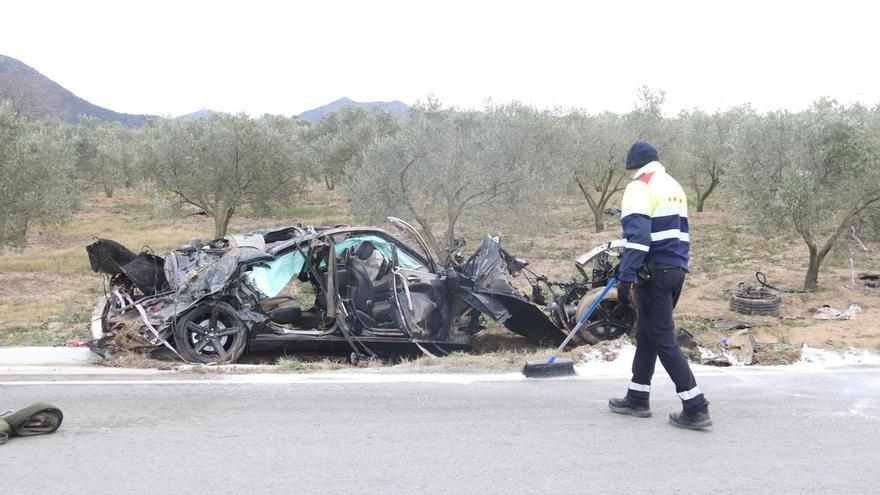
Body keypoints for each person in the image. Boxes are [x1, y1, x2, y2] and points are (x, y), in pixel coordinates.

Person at [607, 141, 712, 430]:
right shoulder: (673, 185)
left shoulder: (640, 186)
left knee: (663, 338)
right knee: (647, 334)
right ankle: (637, 396)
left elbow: (638, 239)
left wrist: (626, 277)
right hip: (676, 270)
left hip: (653, 274)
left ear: (632, 165)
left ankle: (695, 406)